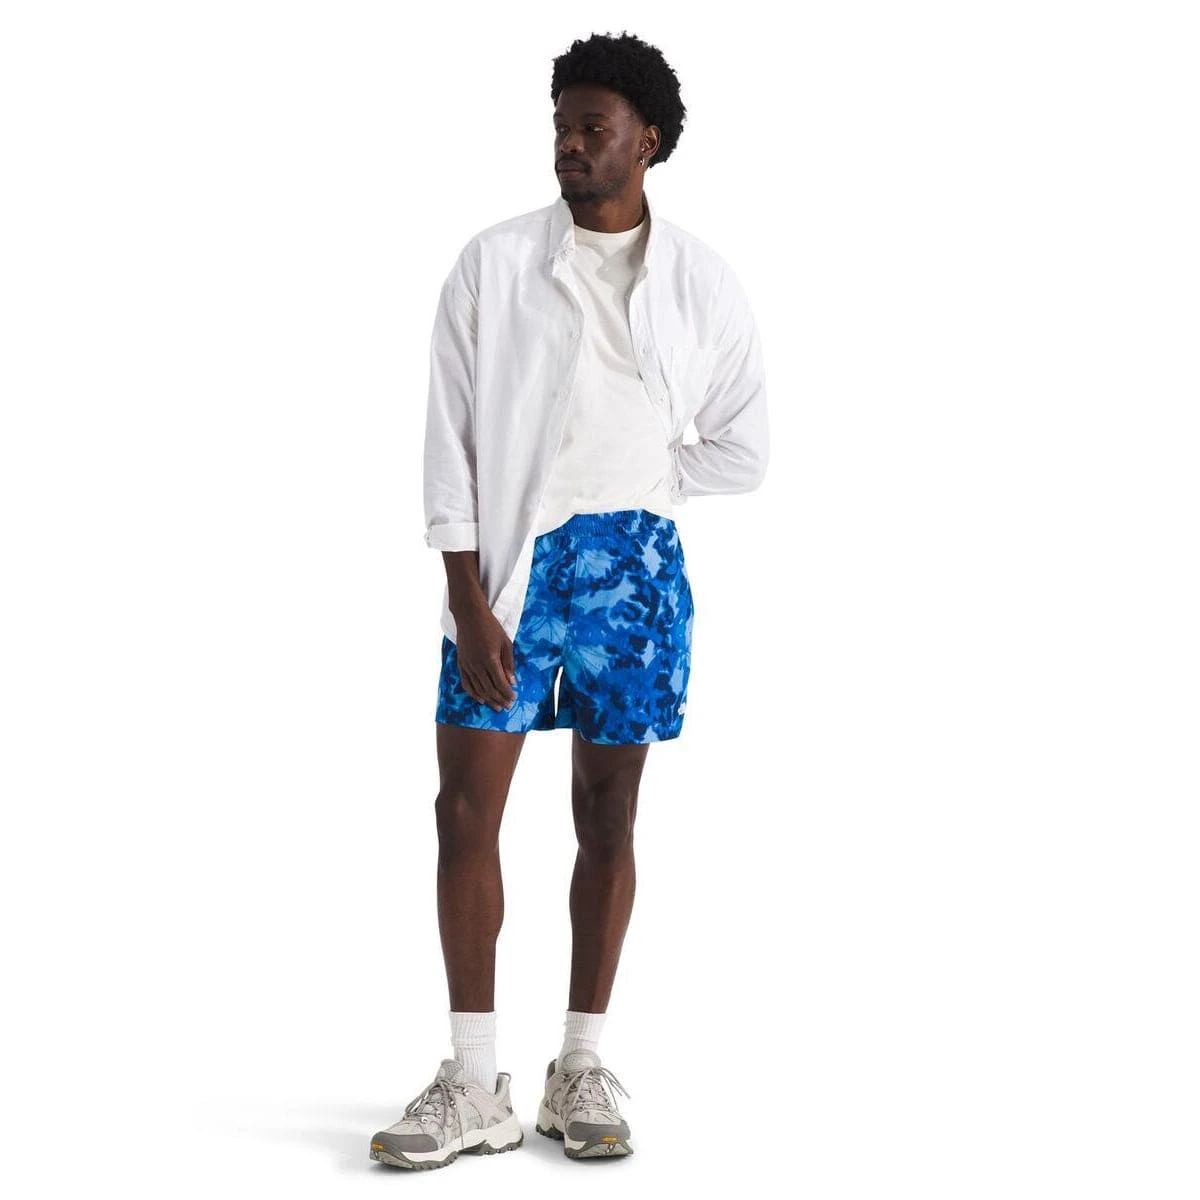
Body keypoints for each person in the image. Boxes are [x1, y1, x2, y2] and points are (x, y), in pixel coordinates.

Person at [369, 31, 768, 1170]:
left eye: (594, 127)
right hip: (509, 569)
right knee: (464, 808)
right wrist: (466, 594)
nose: (570, 145)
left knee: (609, 814)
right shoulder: (493, 264)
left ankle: (578, 1064)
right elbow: (448, 443)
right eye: (561, 125)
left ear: (649, 142)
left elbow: (744, 447)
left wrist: (644, 484)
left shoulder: (701, 283)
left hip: (635, 570)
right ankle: (473, 1081)